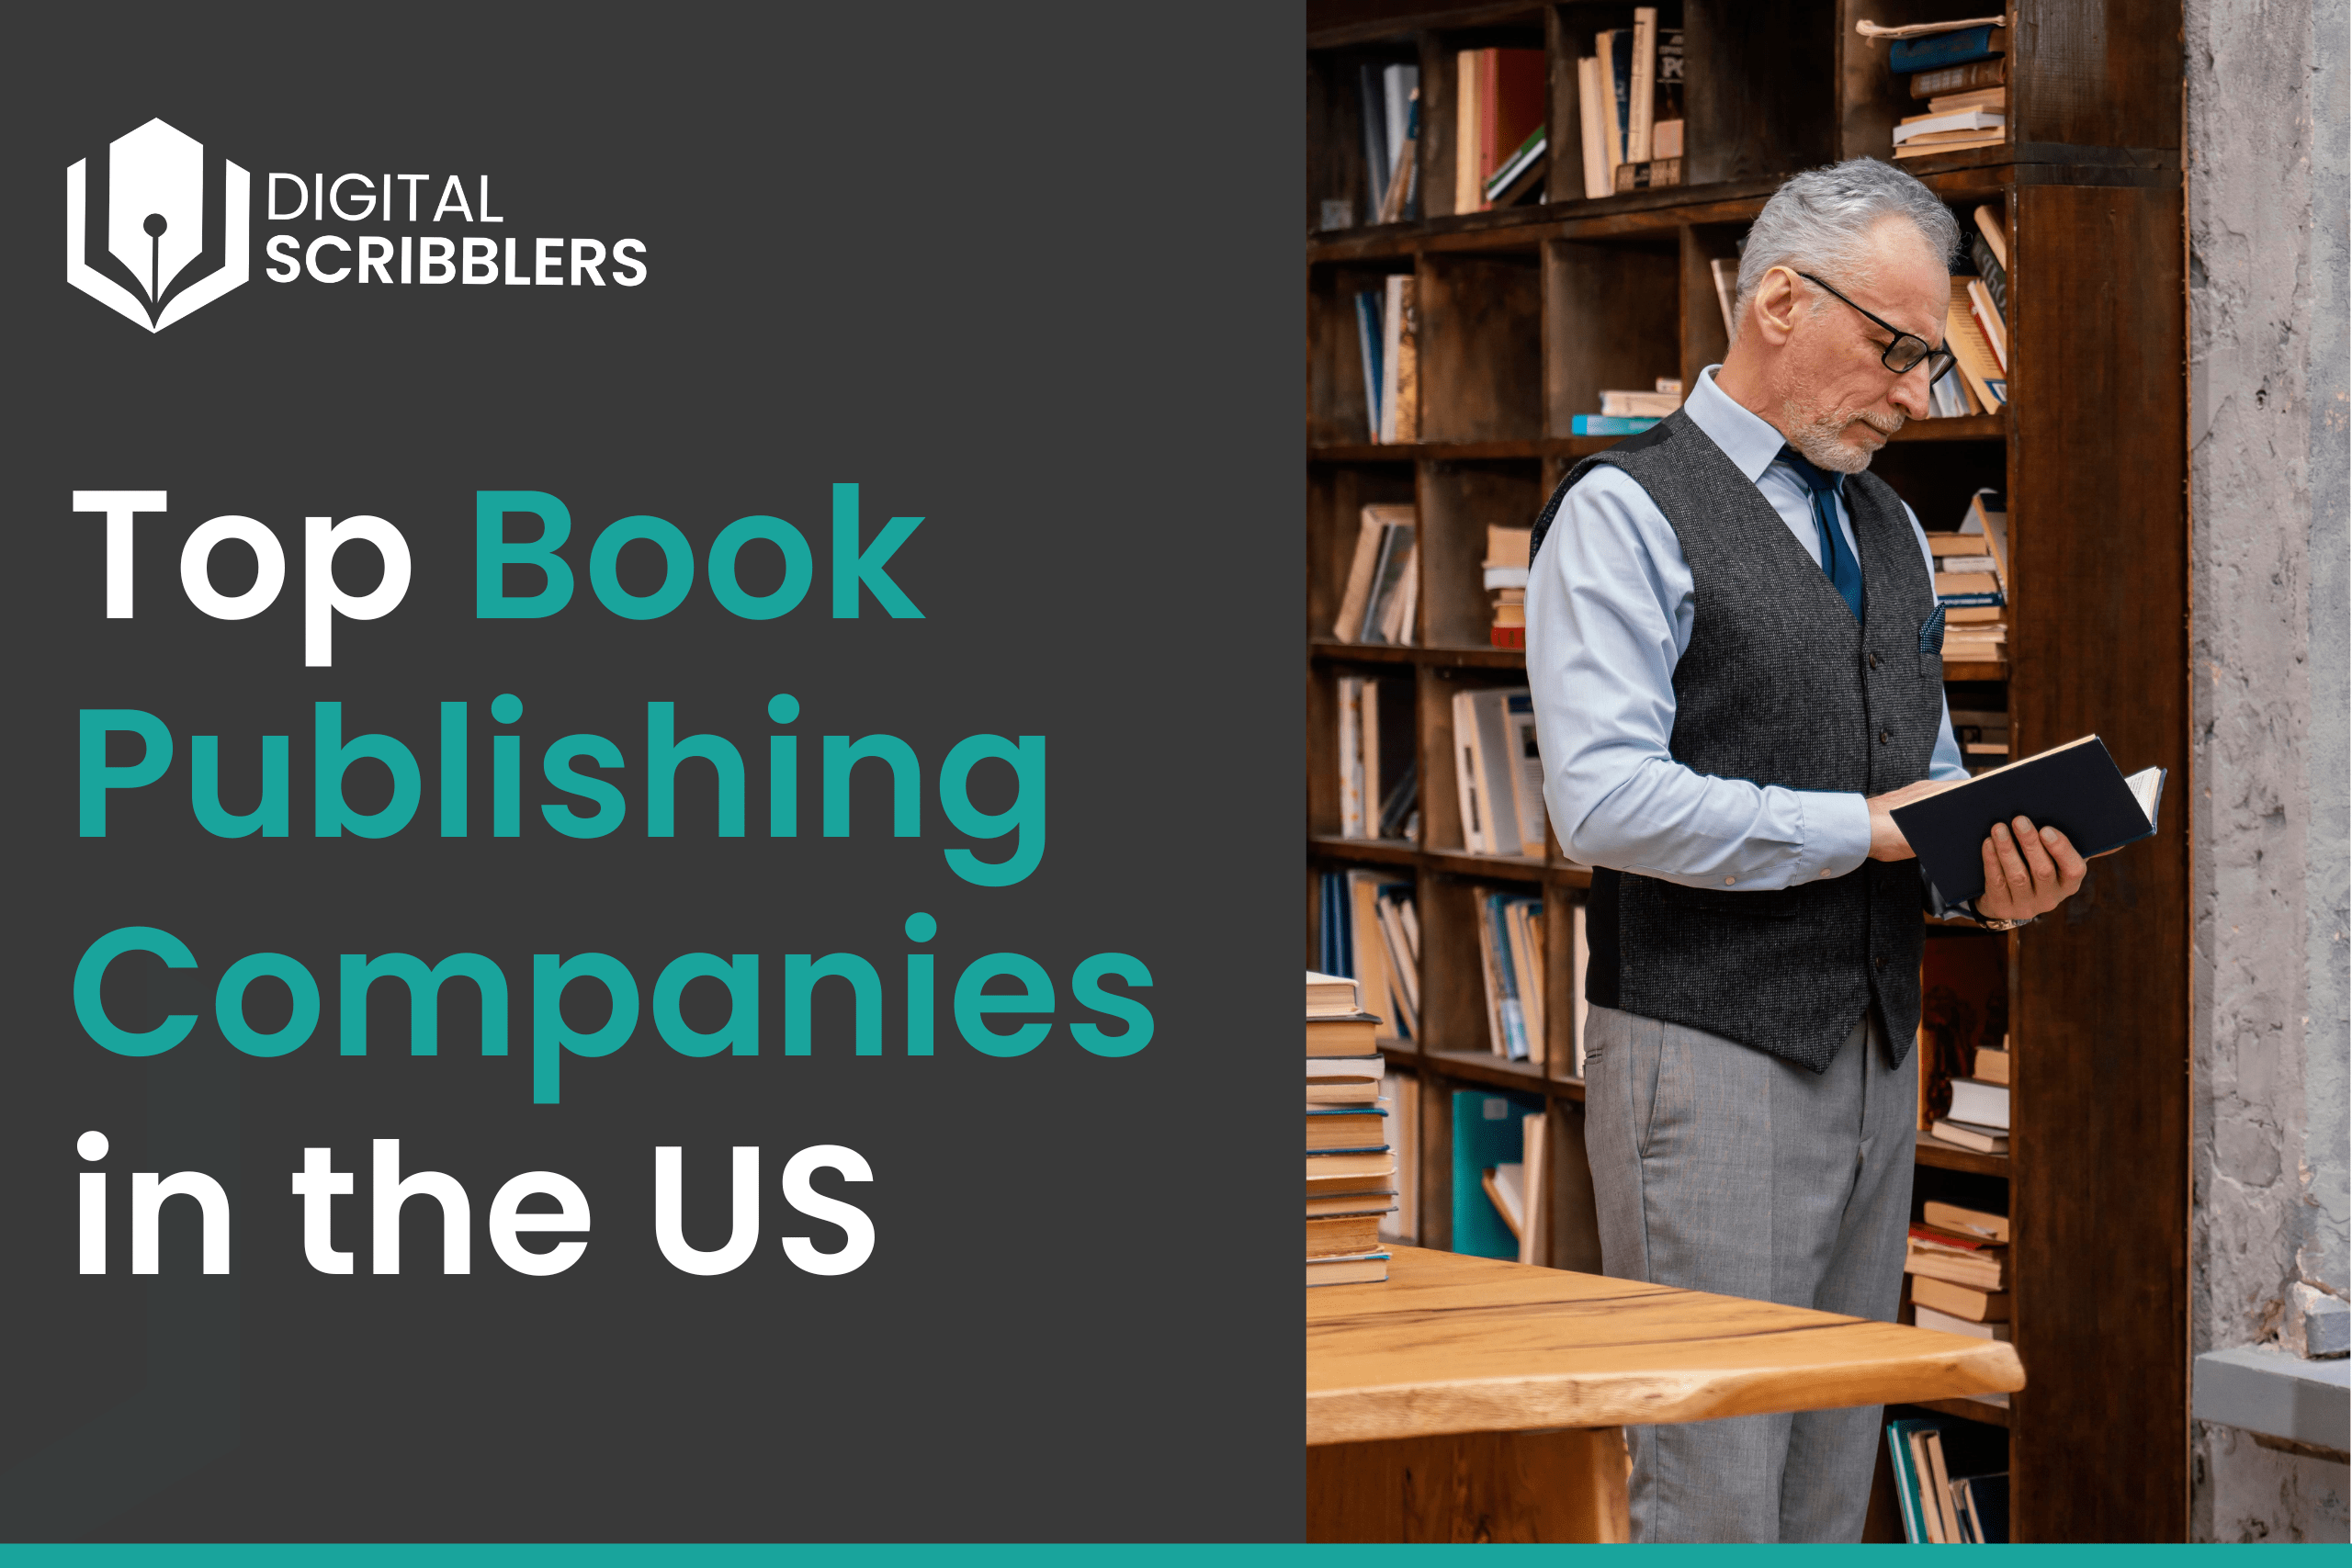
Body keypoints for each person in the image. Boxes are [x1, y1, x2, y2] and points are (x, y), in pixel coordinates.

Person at [1523, 157, 2086, 1542]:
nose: (1913, 395)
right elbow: (1598, 800)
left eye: (1929, 363)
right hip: (1704, 1055)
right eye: (1896, 350)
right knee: (1714, 1484)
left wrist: (1996, 862)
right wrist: (1873, 830)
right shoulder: (1624, 509)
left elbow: (1925, 778)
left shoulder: (1889, 525)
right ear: (1780, 299)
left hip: (1877, 1053)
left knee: (1832, 1473)